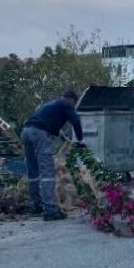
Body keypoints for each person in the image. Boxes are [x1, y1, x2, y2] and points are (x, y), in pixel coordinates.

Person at [21, 90, 84, 221]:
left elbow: (50, 124)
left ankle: (36, 205)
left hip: (26, 132)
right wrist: (80, 140)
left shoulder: (51, 103)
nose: (73, 107)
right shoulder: (67, 104)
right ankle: (50, 209)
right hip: (39, 133)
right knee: (47, 172)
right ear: (72, 100)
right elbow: (76, 121)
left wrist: (63, 137)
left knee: (33, 171)